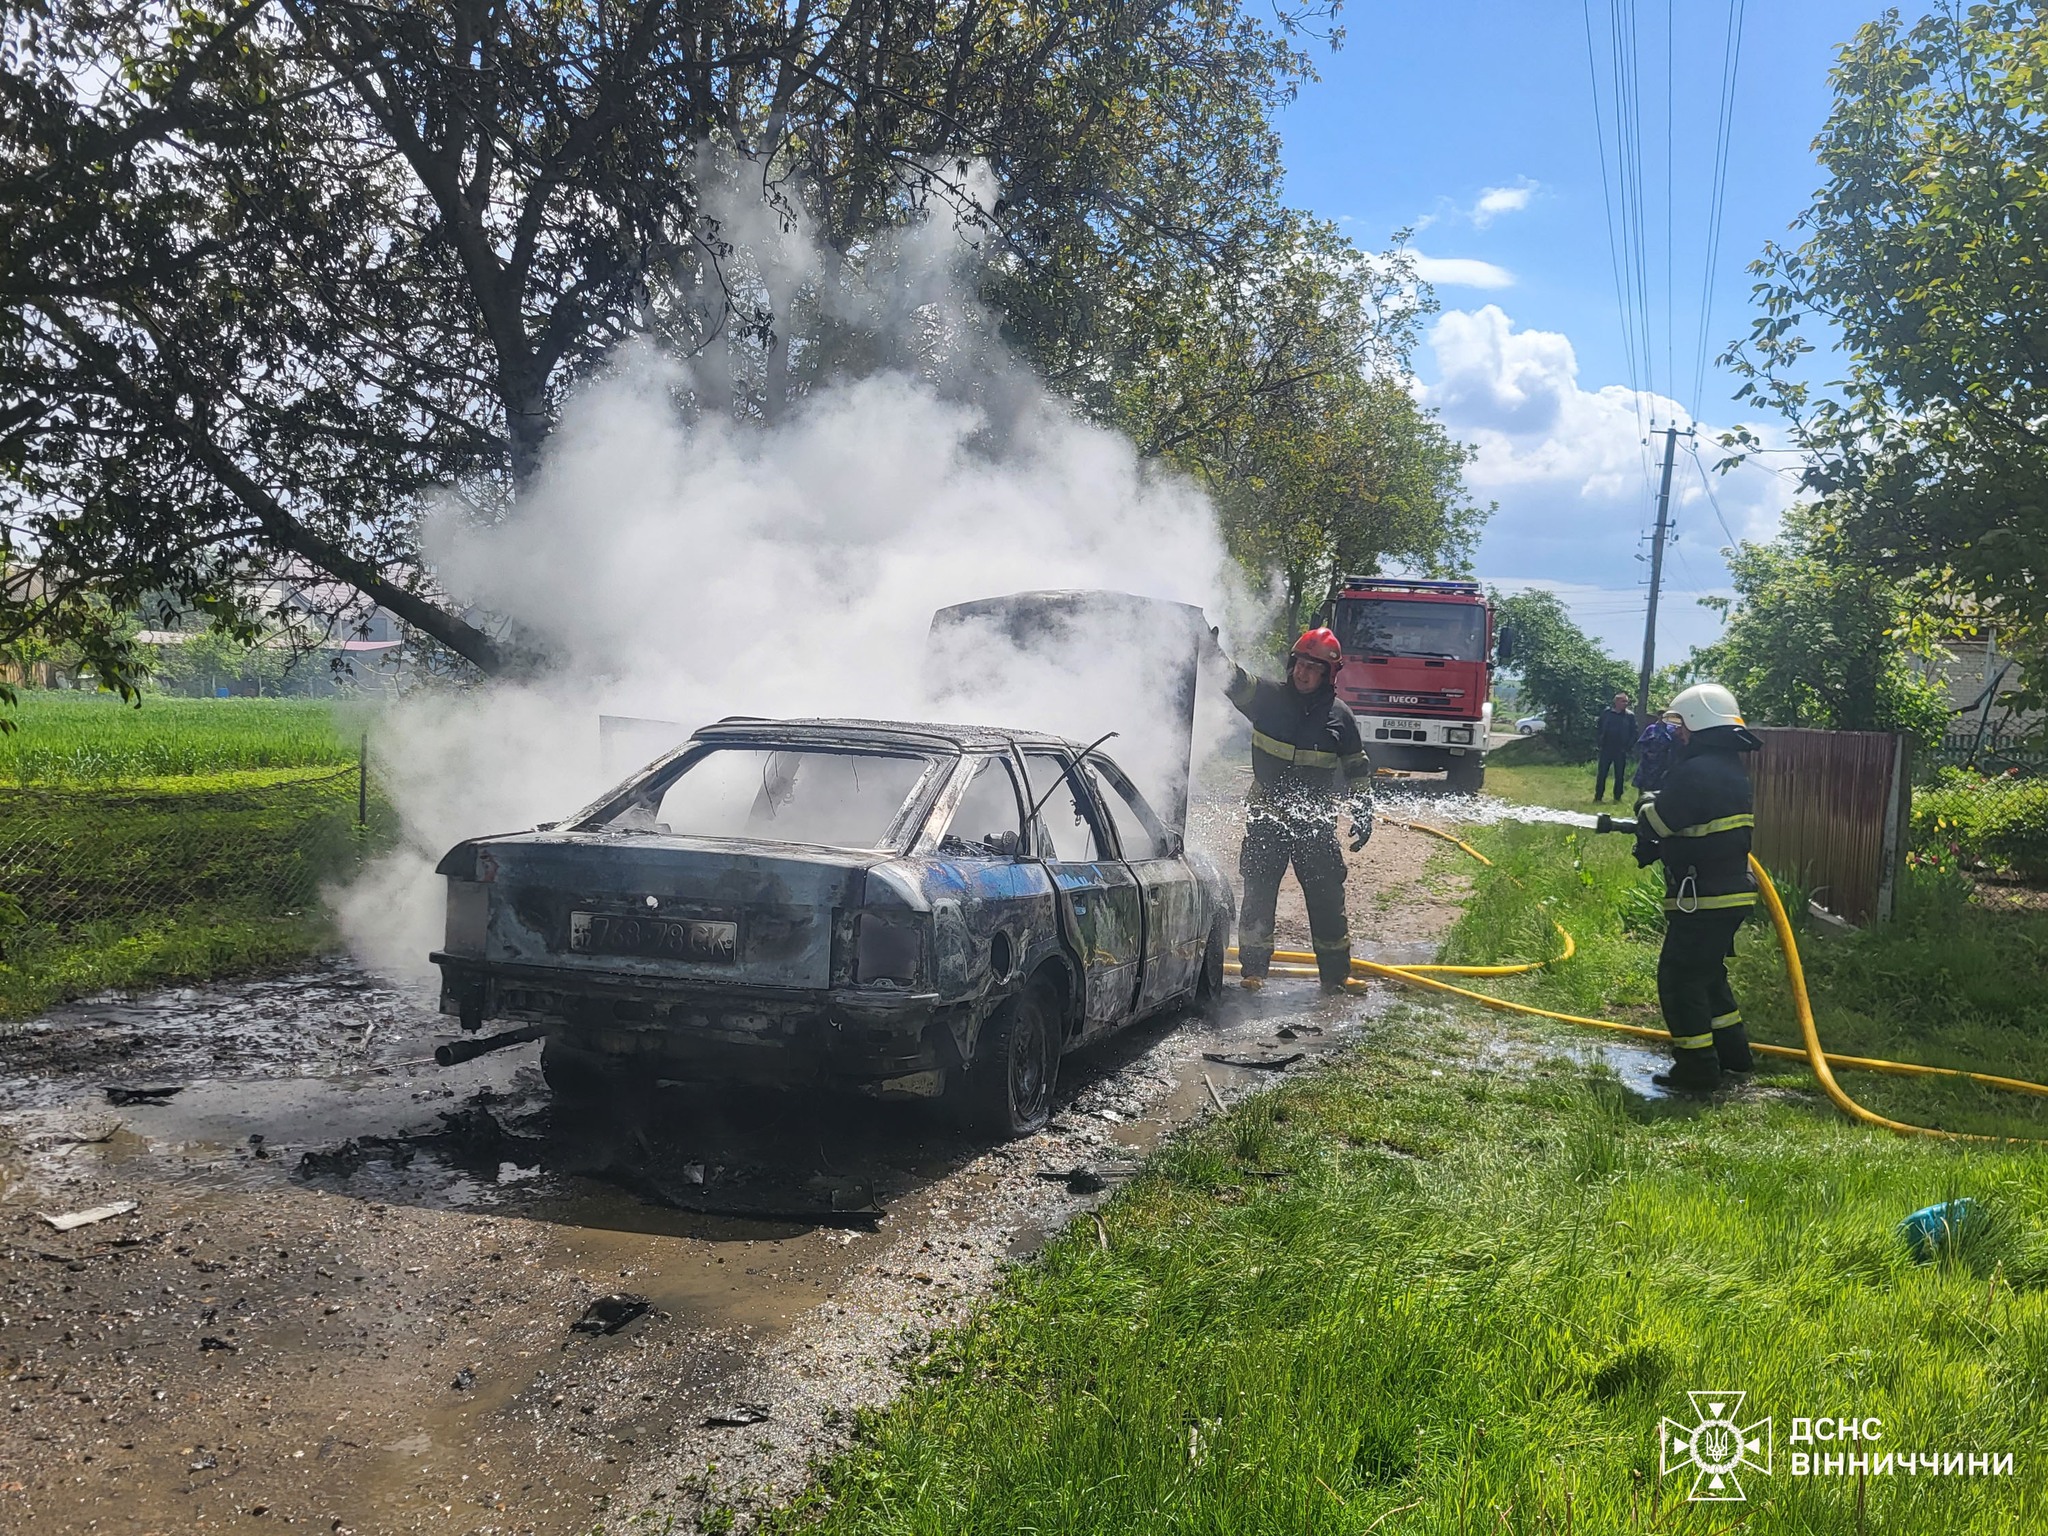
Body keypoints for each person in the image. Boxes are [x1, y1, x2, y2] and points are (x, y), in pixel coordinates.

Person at [1214, 626, 1374, 991]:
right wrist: (1212, 652)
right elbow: (1231, 679)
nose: (1302, 673)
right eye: (1299, 664)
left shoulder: (1341, 717)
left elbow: (1356, 768)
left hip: (1314, 823)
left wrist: (1364, 809)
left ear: (1328, 675)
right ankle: (1253, 972)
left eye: (1312, 668)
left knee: (1327, 899)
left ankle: (1336, 976)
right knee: (1258, 893)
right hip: (1266, 816)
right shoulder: (1266, 697)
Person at [1628, 683, 1762, 1093]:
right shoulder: (1727, 766)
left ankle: (1697, 1070)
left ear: (1699, 723)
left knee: (1679, 978)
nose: (1677, 734)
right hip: (1728, 892)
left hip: (1704, 896)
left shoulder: (1698, 770)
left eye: (1680, 725)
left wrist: (1645, 805)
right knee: (1707, 976)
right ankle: (1733, 1057)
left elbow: (1660, 821)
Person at [1594, 691, 1636, 801]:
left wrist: (1628, 747)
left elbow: (1634, 733)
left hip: (1621, 750)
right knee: (1602, 773)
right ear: (1616, 702)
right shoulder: (1607, 713)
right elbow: (1599, 727)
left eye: (1626, 701)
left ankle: (1617, 797)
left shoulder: (1629, 716)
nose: (1626, 703)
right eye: (1623, 701)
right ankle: (1598, 796)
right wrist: (1599, 741)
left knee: (1619, 775)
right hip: (1606, 748)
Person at [1633, 711, 1677, 793]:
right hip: (1649, 762)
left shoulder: (1671, 729)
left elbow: (1675, 744)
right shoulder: (1651, 728)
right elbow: (1642, 743)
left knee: (1660, 784)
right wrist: (1647, 753)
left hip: (1664, 762)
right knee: (1645, 785)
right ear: (1658, 716)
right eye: (1662, 716)